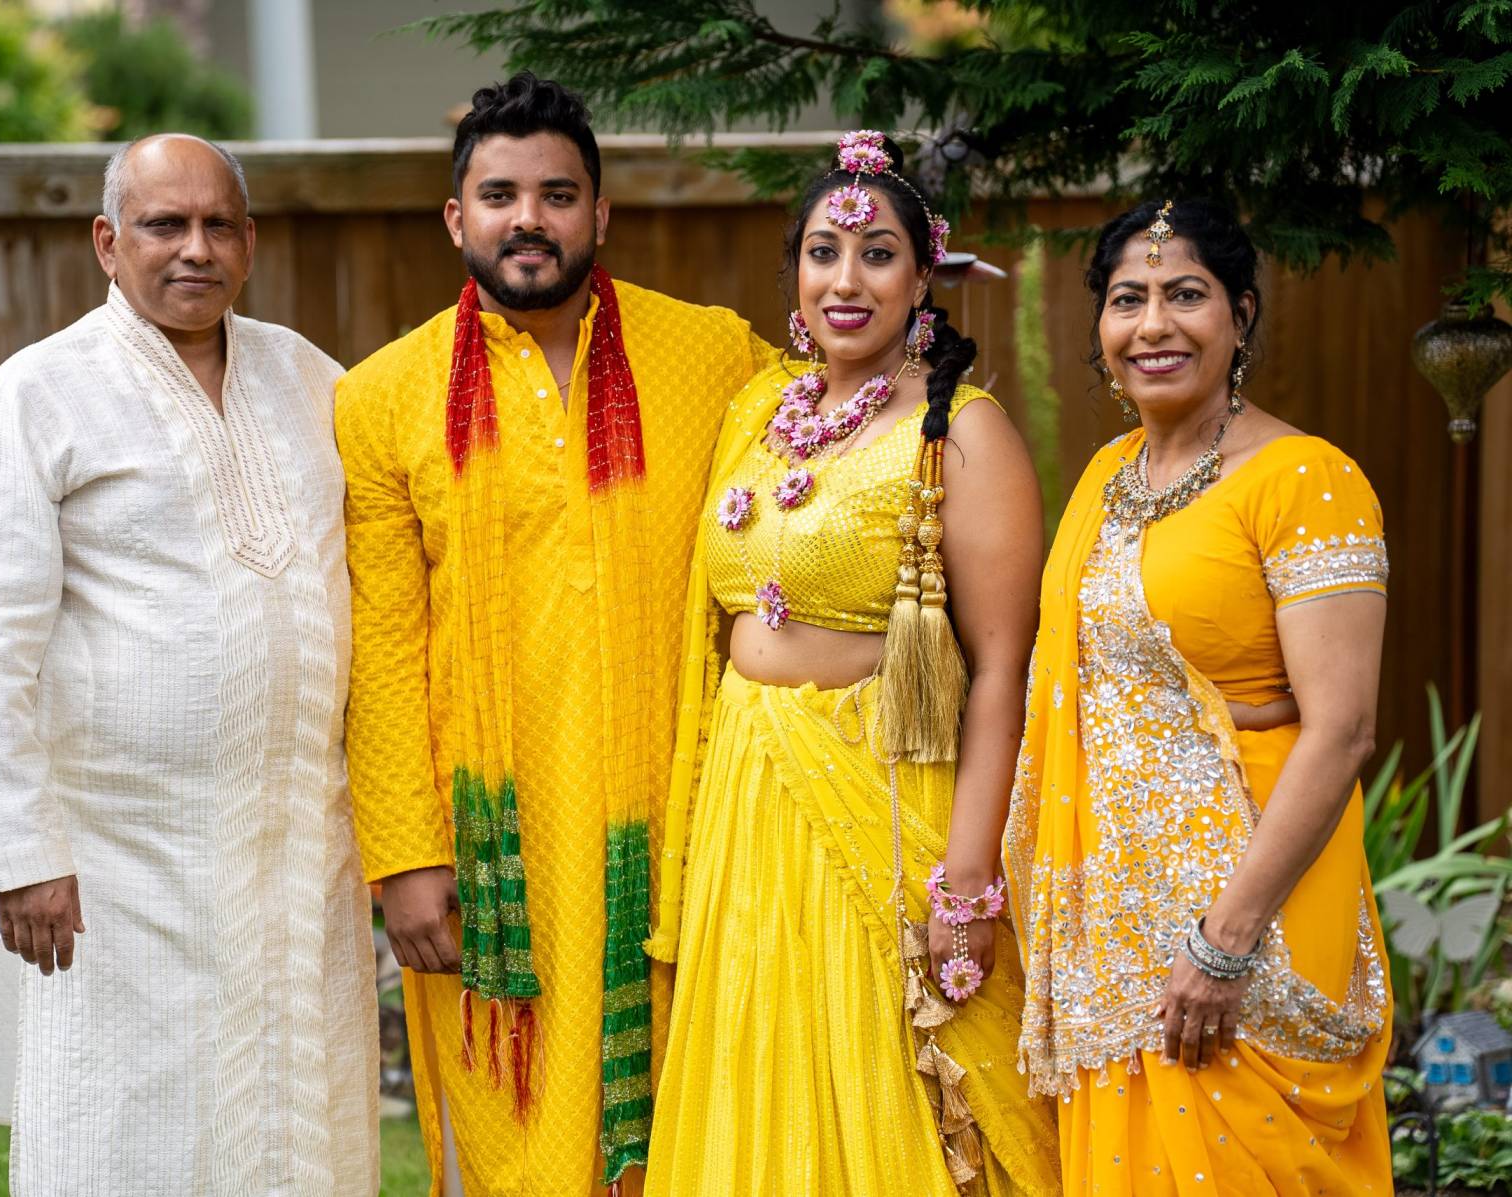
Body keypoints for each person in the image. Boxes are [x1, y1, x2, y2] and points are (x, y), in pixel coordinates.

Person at [0, 133, 379, 1196]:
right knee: (124, 1128)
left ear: (249, 243)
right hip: (117, 862)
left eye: (216, 226)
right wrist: (22, 853)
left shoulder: (311, 381)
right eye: (164, 225)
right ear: (108, 243)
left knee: (308, 1125)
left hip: (300, 847)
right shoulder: (34, 399)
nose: (192, 249)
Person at [335, 73, 777, 1195]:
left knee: (693, 1111)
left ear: (600, 215)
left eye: (557, 193)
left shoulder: (716, 357)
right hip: (496, 838)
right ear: (457, 220)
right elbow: (382, 640)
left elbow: (842, 441)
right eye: (499, 194)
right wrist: (405, 853)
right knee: (511, 1132)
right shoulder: (384, 398)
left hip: (676, 815)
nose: (527, 218)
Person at [644, 131, 1061, 1196]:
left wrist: (967, 874)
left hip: (880, 797)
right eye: (824, 250)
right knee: (759, 1059)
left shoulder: (960, 434)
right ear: (794, 270)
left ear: (926, 276)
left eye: (878, 253)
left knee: (883, 1070)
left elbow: (1004, 666)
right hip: (749, 795)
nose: (846, 278)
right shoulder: (758, 412)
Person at [1003, 198, 1394, 1194]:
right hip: (1114, 925)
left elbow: (1341, 728)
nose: (1152, 326)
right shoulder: (1104, 474)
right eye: (1127, 299)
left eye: (1186, 296)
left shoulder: (1305, 478)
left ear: (1241, 314)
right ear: (1099, 327)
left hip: (1245, 915)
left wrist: (1222, 942)